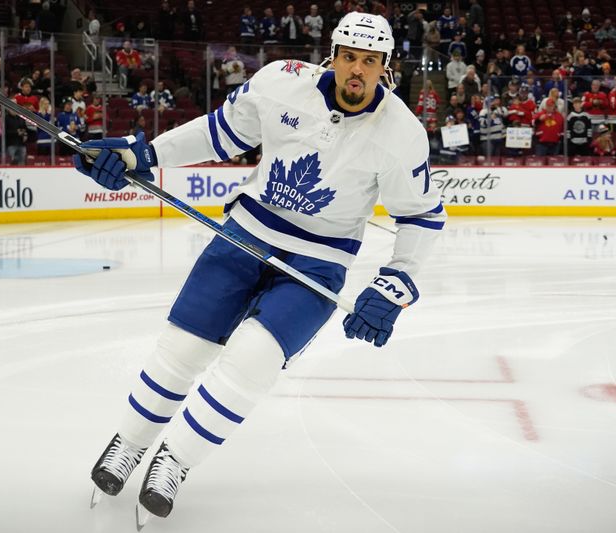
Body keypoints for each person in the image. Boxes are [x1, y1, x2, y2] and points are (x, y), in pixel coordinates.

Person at [73, 12, 445, 524]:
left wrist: (396, 281)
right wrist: (145, 155)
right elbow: (218, 134)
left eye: (371, 61)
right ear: (333, 56)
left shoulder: (401, 132)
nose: (358, 70)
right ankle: (129, 444)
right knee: (182, 349)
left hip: (321, 259)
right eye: (350, 58)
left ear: (385, 67)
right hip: (247, 233)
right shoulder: (282, 82)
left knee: (253, 360)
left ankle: (173, 459)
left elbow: (422, 214)